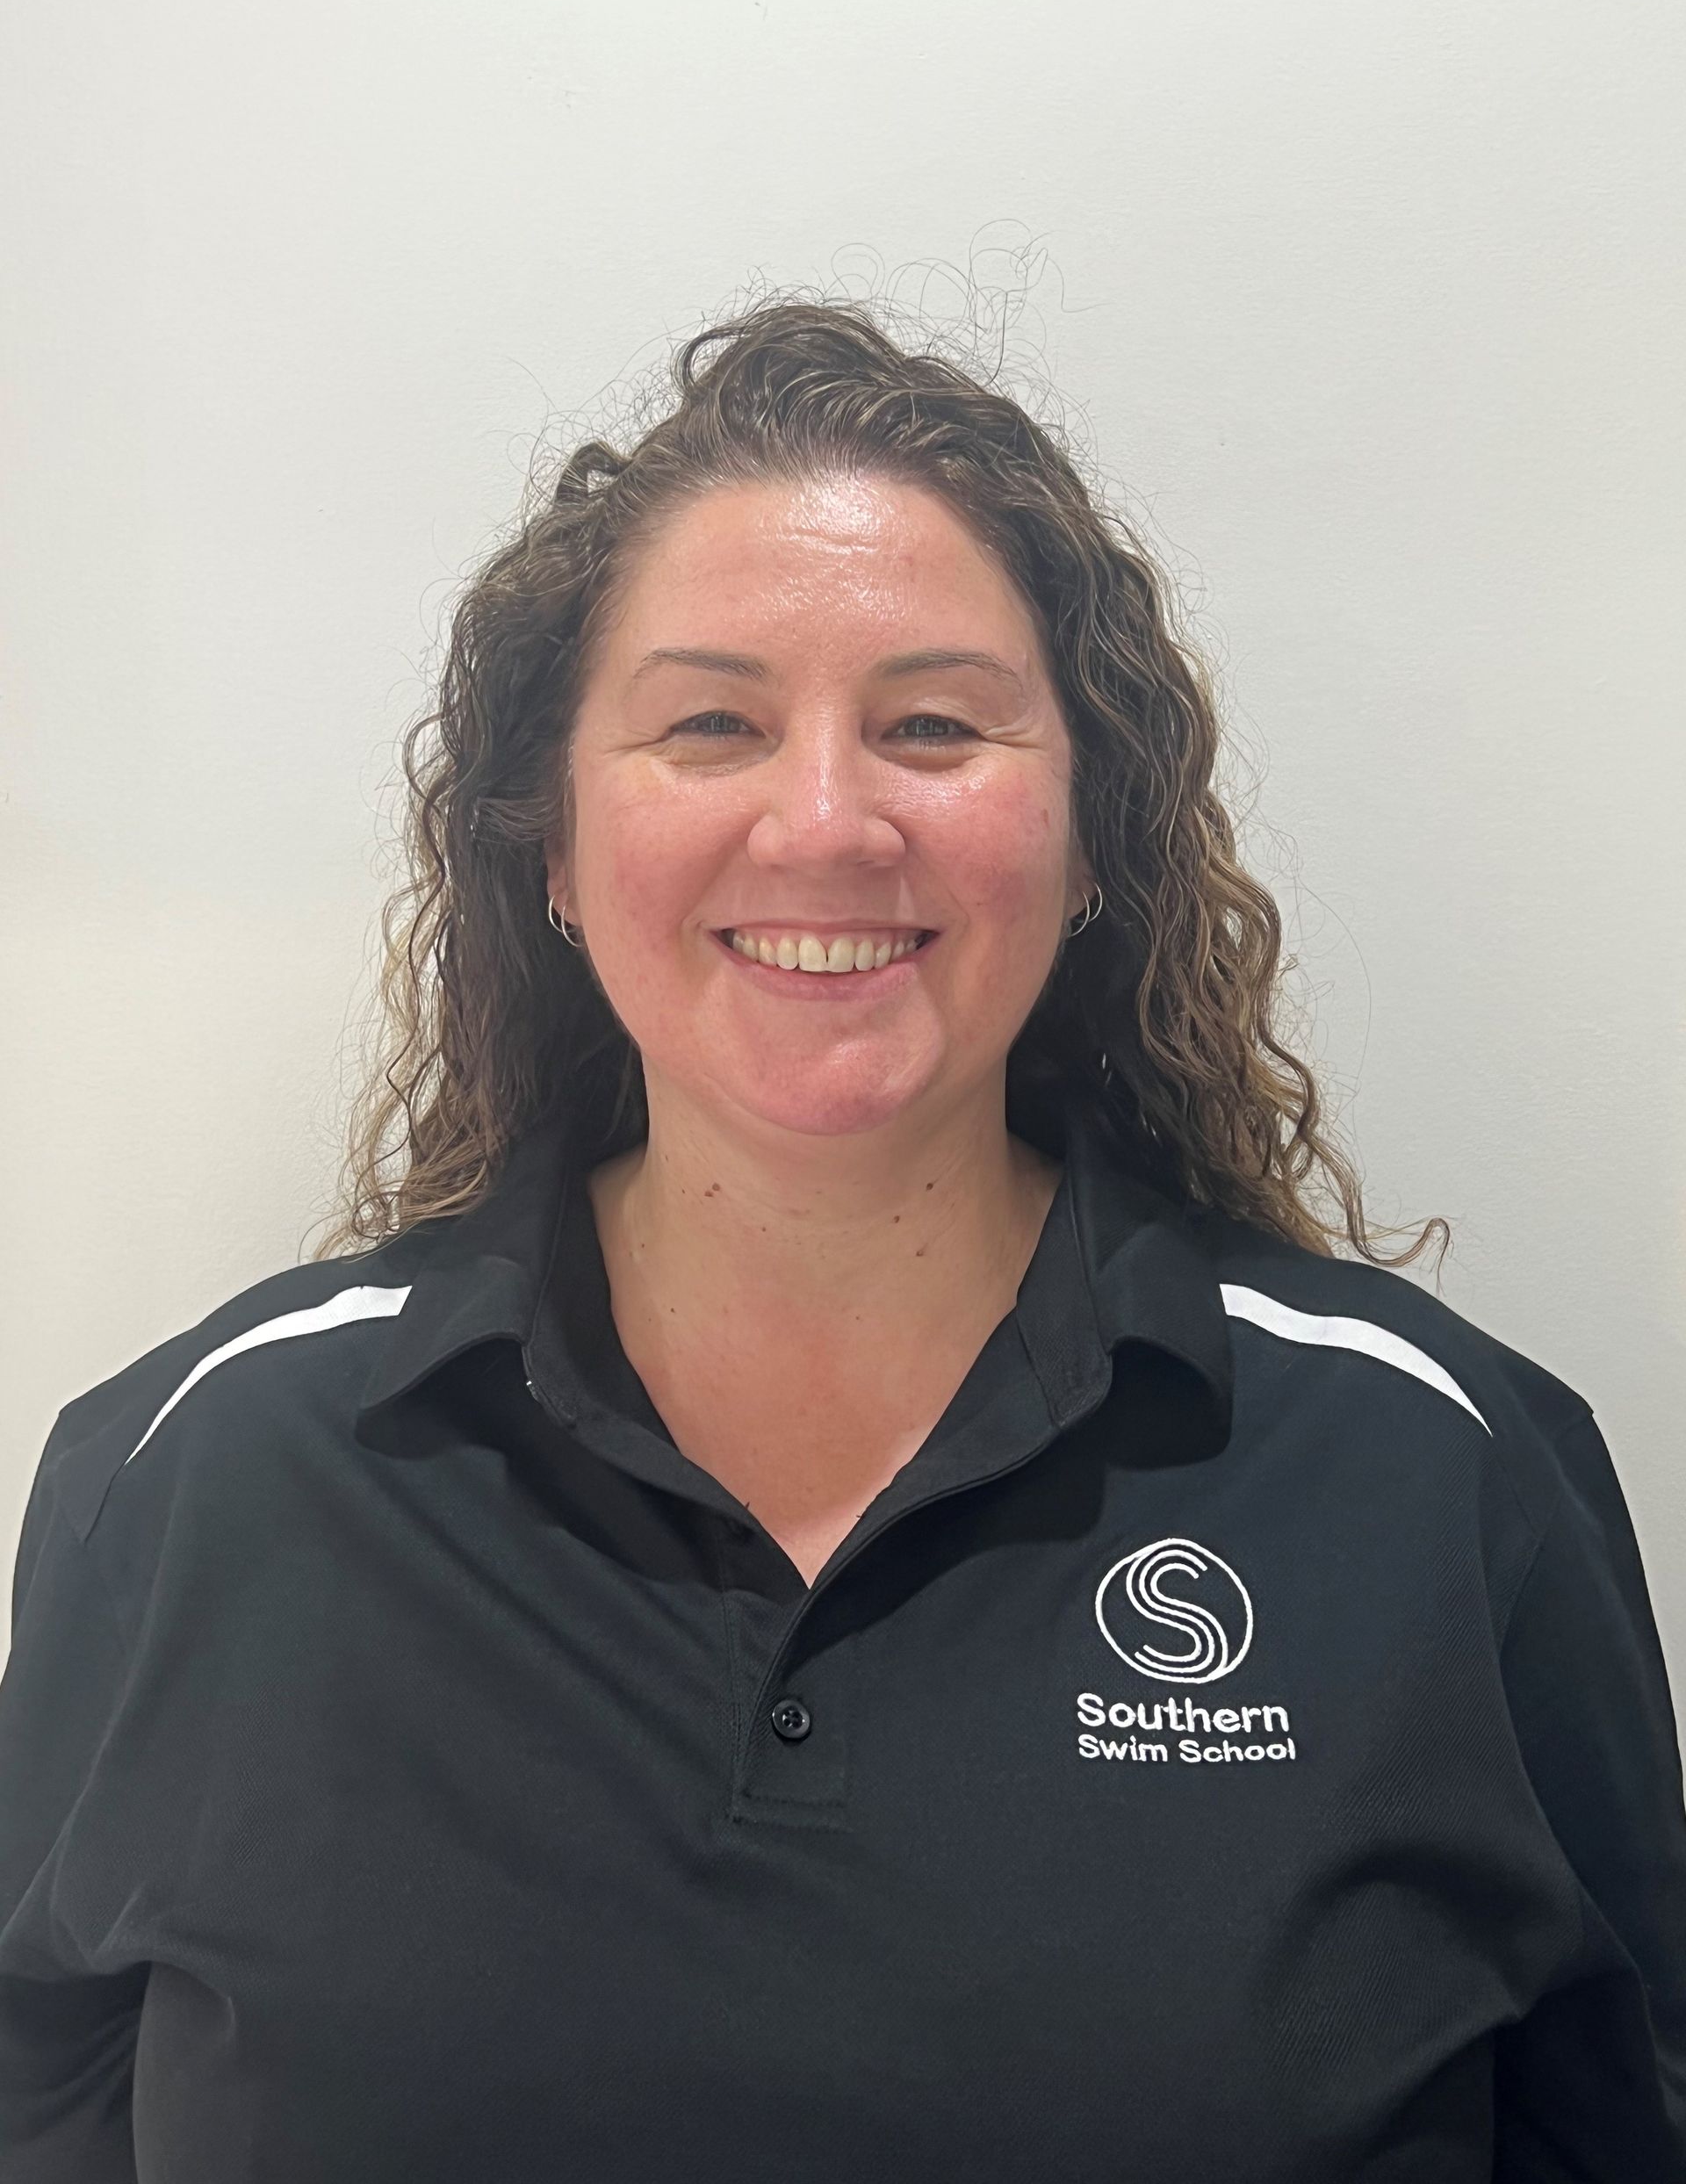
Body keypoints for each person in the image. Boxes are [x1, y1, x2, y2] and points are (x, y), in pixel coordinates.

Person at [3, 294, 1683, 2183]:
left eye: (934, 726)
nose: (826, 819)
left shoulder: (1435, 1475)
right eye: (711, 721)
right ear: (550, 846)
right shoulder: (196, 1474)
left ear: (1091, 829)